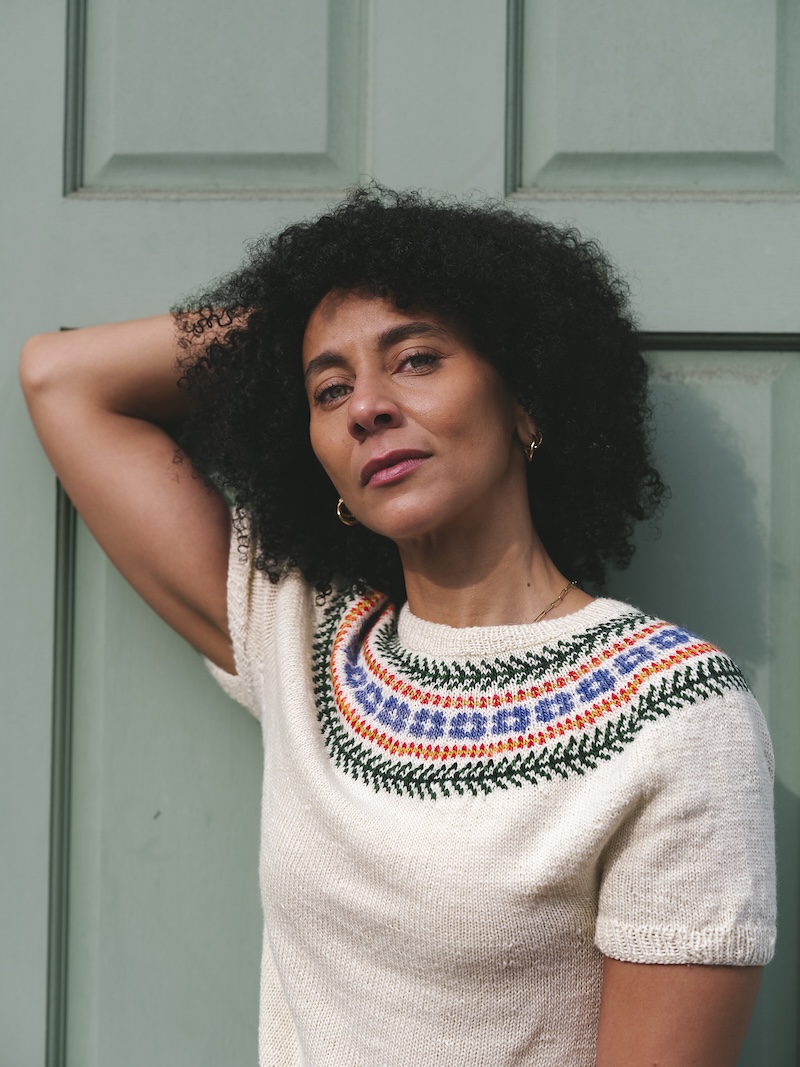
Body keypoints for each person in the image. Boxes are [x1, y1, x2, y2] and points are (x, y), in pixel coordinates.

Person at [20, 186, 775, 1066]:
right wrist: (296, 323)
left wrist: (438, 300)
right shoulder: (305, 631)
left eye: (416, 359)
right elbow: (60, 377)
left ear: (525, 395)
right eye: (329, 389)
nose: (365, 407)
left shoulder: (679, 716)